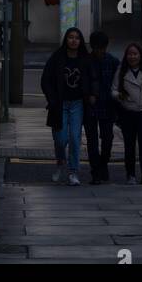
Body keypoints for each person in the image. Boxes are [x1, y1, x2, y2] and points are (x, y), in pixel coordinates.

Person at [41, 26, 93, 185]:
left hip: (78, 103)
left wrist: (92, 95)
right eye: (71, 37)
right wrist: (52, 99)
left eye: (77, 38)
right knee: (60, 139)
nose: (74, 40)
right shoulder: (57, 57)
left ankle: (73, 172)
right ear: (66, 39)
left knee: (75, 138)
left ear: (80, 41)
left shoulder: (85, 58)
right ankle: (60, 163)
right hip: (60, 104)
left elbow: (92, 79)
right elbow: (46, 80)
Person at [111, 40, 142, 184]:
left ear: (140, 55)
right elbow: (113, 90)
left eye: (135, 54)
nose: (132, 57)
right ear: (126, 56)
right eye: (130, 54)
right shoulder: (121, 70)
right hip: (127, 112)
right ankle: (131, 174)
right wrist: (119, 95)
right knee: (129, 145)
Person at [84, 30, 120, 185]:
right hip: (90, 107)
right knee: (92, 142)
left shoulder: (112, 61)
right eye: (97, 48)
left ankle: (103, 163)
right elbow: (82, 83)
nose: (100, 51)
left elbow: (119, 82)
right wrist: (88, 95)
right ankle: (95, 173)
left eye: (103, 48)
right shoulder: (86, 61)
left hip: (108, 105)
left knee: (108, 138)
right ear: (92, 47)